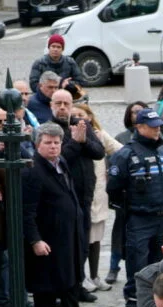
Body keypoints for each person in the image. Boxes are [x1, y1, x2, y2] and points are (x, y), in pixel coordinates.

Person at [22, 123, 101, 307]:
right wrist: (35, 240)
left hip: (69, 235)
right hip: (48, 238)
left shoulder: (61, 162)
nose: (53, 146)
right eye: (48, 142)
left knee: (73, 279)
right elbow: (26, 211)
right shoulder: (32, 170)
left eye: (57, 142)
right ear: (38, 145)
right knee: (45, 286)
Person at [107, 108, 163, 307]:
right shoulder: (126, 154)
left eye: (159, 125)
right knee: (137, 269)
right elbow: (114, 189)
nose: (158, 129)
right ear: (139, 127)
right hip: (138, 218)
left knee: (161, 267)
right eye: (152, 126)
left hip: (162, 217)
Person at [50, 88, 105, 304]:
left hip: (84, 196)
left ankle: (78, 284)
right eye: (58, 103)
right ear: (51, 105)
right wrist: (75, 143)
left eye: (66, 103)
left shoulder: (80, 124)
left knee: (82, 243)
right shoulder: (50, 129)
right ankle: (60, 289)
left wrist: (83, 140)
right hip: (61, 199)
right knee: (63, 246)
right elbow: (58, 159)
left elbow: (99, 151)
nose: (63, 107)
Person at [73, 102, 122, 293]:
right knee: (82, 238)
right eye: (74, 114)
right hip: (80, 194)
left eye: (81, 115)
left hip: (98, 194)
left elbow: (120, 150)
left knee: (96, 238)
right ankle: (82, 276)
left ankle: (94, 275)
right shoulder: (71, 137)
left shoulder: (100, 135)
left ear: (90, 117)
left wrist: (113, 170)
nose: (78, 118)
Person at [105, 100, 147, 287]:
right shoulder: (122, 137)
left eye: (140, 111)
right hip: (124, 194)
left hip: (144, 196)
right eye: (133, 112)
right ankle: (113, 267)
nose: (136, 114)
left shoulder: (151, 138)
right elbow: (112, 163)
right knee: (118, 233)